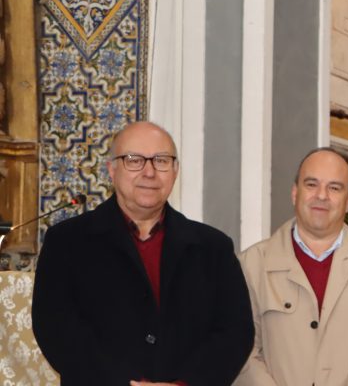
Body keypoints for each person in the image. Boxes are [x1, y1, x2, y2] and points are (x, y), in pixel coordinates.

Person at [32, 122, 253, 385]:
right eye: (134, 160)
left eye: (161, 161)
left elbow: (235, 333)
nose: (149, 172)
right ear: (111, 170)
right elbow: (57, 329)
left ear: (175, 171)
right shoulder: (66, 242)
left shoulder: (214, 247)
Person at [235, 148, 348, 385]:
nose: (321, 195)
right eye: (311, 184)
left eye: (334, 188)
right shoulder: (251, 264)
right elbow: (244, 352)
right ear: (295, 193)